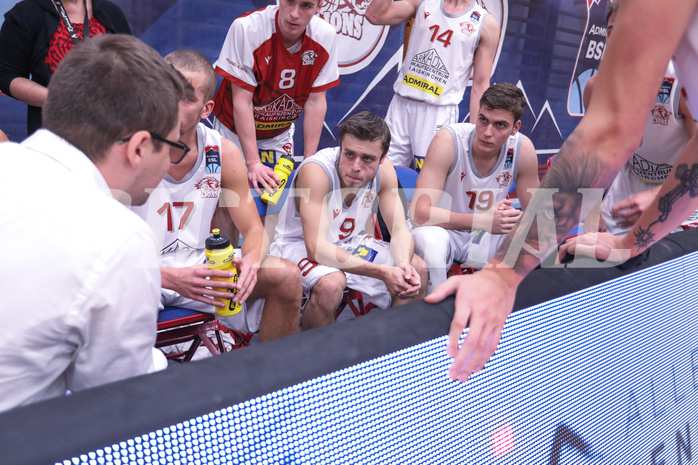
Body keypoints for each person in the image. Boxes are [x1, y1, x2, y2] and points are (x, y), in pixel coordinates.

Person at [426, 0, 698, 383]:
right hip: (633, 195)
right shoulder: (611, 78)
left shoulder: (675, 73)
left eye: (499, 124)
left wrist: (502, 274)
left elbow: (611, 136)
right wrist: (630, 241)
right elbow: (609, 142)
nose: (488, 132)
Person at [0, 34, 187, 412]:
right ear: (138, 148)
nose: (170, 164)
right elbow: (121, 406)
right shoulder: (119, 239)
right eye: (172, 147)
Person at [131, 50, 301, 342]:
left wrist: (251, 262)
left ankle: (270, 382)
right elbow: (98, 253)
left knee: (287, 277)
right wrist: (168, 277)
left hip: (199, 267)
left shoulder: (222, 151)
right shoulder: (126, 144)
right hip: (141, 270)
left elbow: (253, 230)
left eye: (185, 96)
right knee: (111, 300)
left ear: (206, 109)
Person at [270, 111, 427, 329]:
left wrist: (401, 265)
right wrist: (382, 272)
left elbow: (400, 230)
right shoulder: (316, 171)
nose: (355, 166)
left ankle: (391, 351)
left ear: (382, 158)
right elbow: (317, 249)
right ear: (340, 148)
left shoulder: (386, 170)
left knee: (416, 269)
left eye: (368, 159)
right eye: (349, 154)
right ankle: (314, 359)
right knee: (331, 285)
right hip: (299, 247)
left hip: (350, 242)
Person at [581, 1, 697, 235]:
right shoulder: (597, 88)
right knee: (596, 262)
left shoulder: (680, 81)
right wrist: (591, 209)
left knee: (667, 266)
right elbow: (593, 155)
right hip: (625, 194)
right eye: (612, 33)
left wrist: (658, 196)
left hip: (682, 191)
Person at [411, 83, 539, 293]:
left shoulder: (522, 150)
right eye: (483, 120)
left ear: (515, 128)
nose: (487, 132)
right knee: (430, 240)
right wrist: (482, 221)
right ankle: (436, 316)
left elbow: (538, 217)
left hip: (486, 236)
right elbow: (419, 214)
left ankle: (504, 314)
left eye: (500, 125)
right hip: (444, 232)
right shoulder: (449, 140)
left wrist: (517, 220)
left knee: (532, 240)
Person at [210, 0, 339, 195]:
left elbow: (315, 101)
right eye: (290, 2)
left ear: (319, 7)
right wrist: (253, 162)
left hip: (278, 133)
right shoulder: (246, 28)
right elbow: (242, 101)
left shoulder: (325, 36)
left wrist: (309, 163)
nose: (294, 14)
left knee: (274, 201)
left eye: (306, 6)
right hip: (233, 129)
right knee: (233, 201)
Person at [366, 0, 498, 171]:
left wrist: (475, 133)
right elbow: (374, 15)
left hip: (439, 112)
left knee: (429, 182)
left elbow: (480, 85)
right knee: (382, 173)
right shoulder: (424, 2)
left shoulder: (485, 23)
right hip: (401, 104)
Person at [0, 0, 131, 135]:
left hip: (110, 131)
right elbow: (6, 75)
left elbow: (130, 71)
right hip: (55, 133)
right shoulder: (27, 12)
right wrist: (62, 99)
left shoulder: (110, 11)